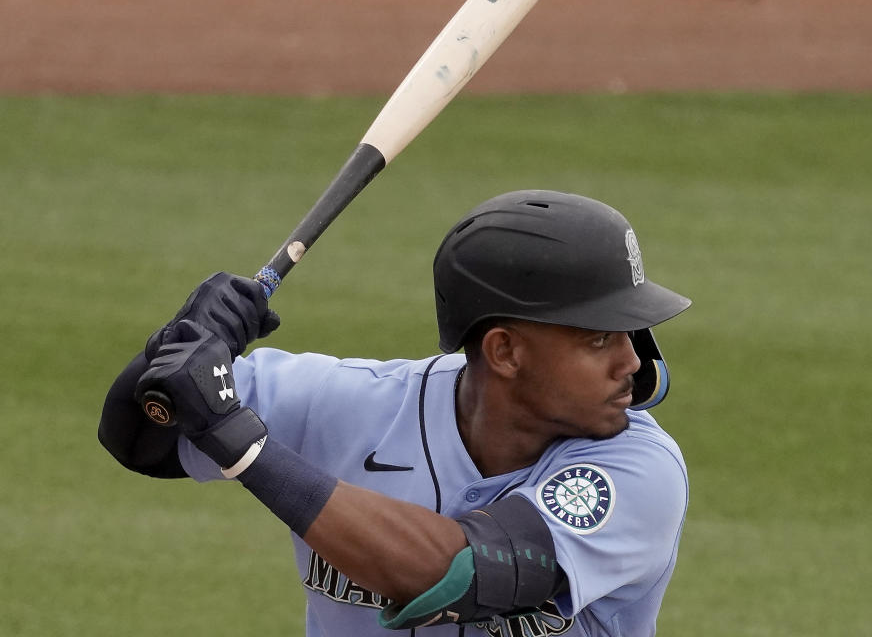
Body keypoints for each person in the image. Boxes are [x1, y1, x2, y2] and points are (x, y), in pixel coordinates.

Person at [99, 190, 692, 637]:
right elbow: (140, 438)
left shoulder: (639, 468)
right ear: (505, 352)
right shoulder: (347, 400)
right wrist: (175, 345)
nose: (633, 362)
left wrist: (242, 444)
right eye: (598, 339)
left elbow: (460, 573)